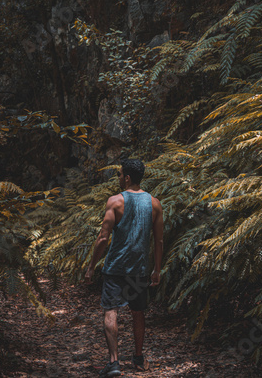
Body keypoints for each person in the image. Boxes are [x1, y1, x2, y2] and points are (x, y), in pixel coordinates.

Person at [85, 158, 164, 377]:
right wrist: (156, 269)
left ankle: (114, 363)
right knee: (138, 313)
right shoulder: (154, 203)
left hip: (115, 269)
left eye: (119, 174)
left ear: (127, 177)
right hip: (139, 270)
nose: (118, 178)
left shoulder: (115, 202)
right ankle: (138, 358)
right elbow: (158, 241)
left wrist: (91, 266)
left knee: (111, 311)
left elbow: (102, 238)